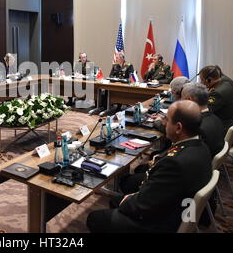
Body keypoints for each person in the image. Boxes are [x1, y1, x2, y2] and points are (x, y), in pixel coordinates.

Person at [87, 100, 212, 233]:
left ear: (179, 127)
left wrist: (129, 200)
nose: (163, 123)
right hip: (181, 208)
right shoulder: (201, 146)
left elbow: (143, 205)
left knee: (95, 218)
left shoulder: (174, 163)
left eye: (167, 120)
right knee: (116, 200)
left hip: (161, 223)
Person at [181, 82, 224, 158]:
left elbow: (186, 156)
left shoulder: (196, 129)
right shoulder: (216, 119)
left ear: (189, 99)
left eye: (182, 98)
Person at [199, 65, 233, 133]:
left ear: (209, 80)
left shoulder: (217, 93)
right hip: (230, 120)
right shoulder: (225, 81)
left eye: (202, 80)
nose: (201, 83)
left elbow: (205, 112)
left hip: (223, 128)